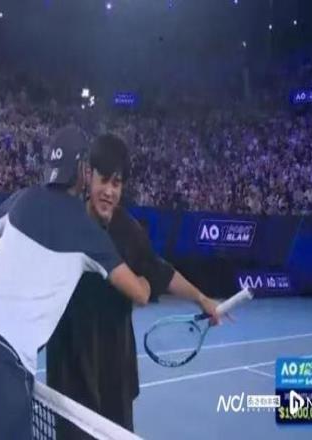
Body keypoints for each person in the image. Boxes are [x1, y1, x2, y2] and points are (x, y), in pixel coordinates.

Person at [0, 126, 151, 440]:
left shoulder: (23, 199)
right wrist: (146, 281)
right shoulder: (89, 233)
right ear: (84, 173)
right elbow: (139, 294)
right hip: (6, 355)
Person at [46, 134, 221, 435]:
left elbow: (160, 272)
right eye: (104, 180)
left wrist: (202, 299)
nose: (109, 192)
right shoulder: (66, 222)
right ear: (87, 175)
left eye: (117, 184)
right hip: (71, 372)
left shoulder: (129, 231)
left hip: (115, 373)